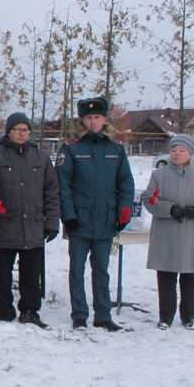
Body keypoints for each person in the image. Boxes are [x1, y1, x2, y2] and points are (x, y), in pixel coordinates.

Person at [55, 96, 134, 332]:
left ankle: (103, 316)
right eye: (88, 118)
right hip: (79, 220)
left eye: (97, 117)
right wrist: (67, 216)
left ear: (104, 120)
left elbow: (126, 184)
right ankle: (79, 315)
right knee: (76, 270)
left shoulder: (116, 149)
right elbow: (62, 185)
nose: (92, 122)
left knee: (102, 271)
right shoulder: (71, 149)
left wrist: (124, 214)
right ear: (83, 121)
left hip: (106, 221)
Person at [142, 134, 194, 330]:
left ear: (190, 153)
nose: (177, 154)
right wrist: (169, 209)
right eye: (173, 150)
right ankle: (165, 317)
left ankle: (188, 316)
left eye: (181, 150)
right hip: (166, 233)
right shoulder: (159, 175)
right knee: (166, 275)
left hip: (193, 233)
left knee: (189, 275)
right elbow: (148, 199)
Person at [0, 112, 60, 329]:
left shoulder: (41, 158)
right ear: (9, 132)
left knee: (31, 273)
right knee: (3, 272)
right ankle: (5, 310)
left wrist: (51, 223)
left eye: (26, 129)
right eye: (18, 129)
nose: (22, 133)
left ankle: (30, 310)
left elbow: (51, 192)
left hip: (33, 225)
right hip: (5, 224)